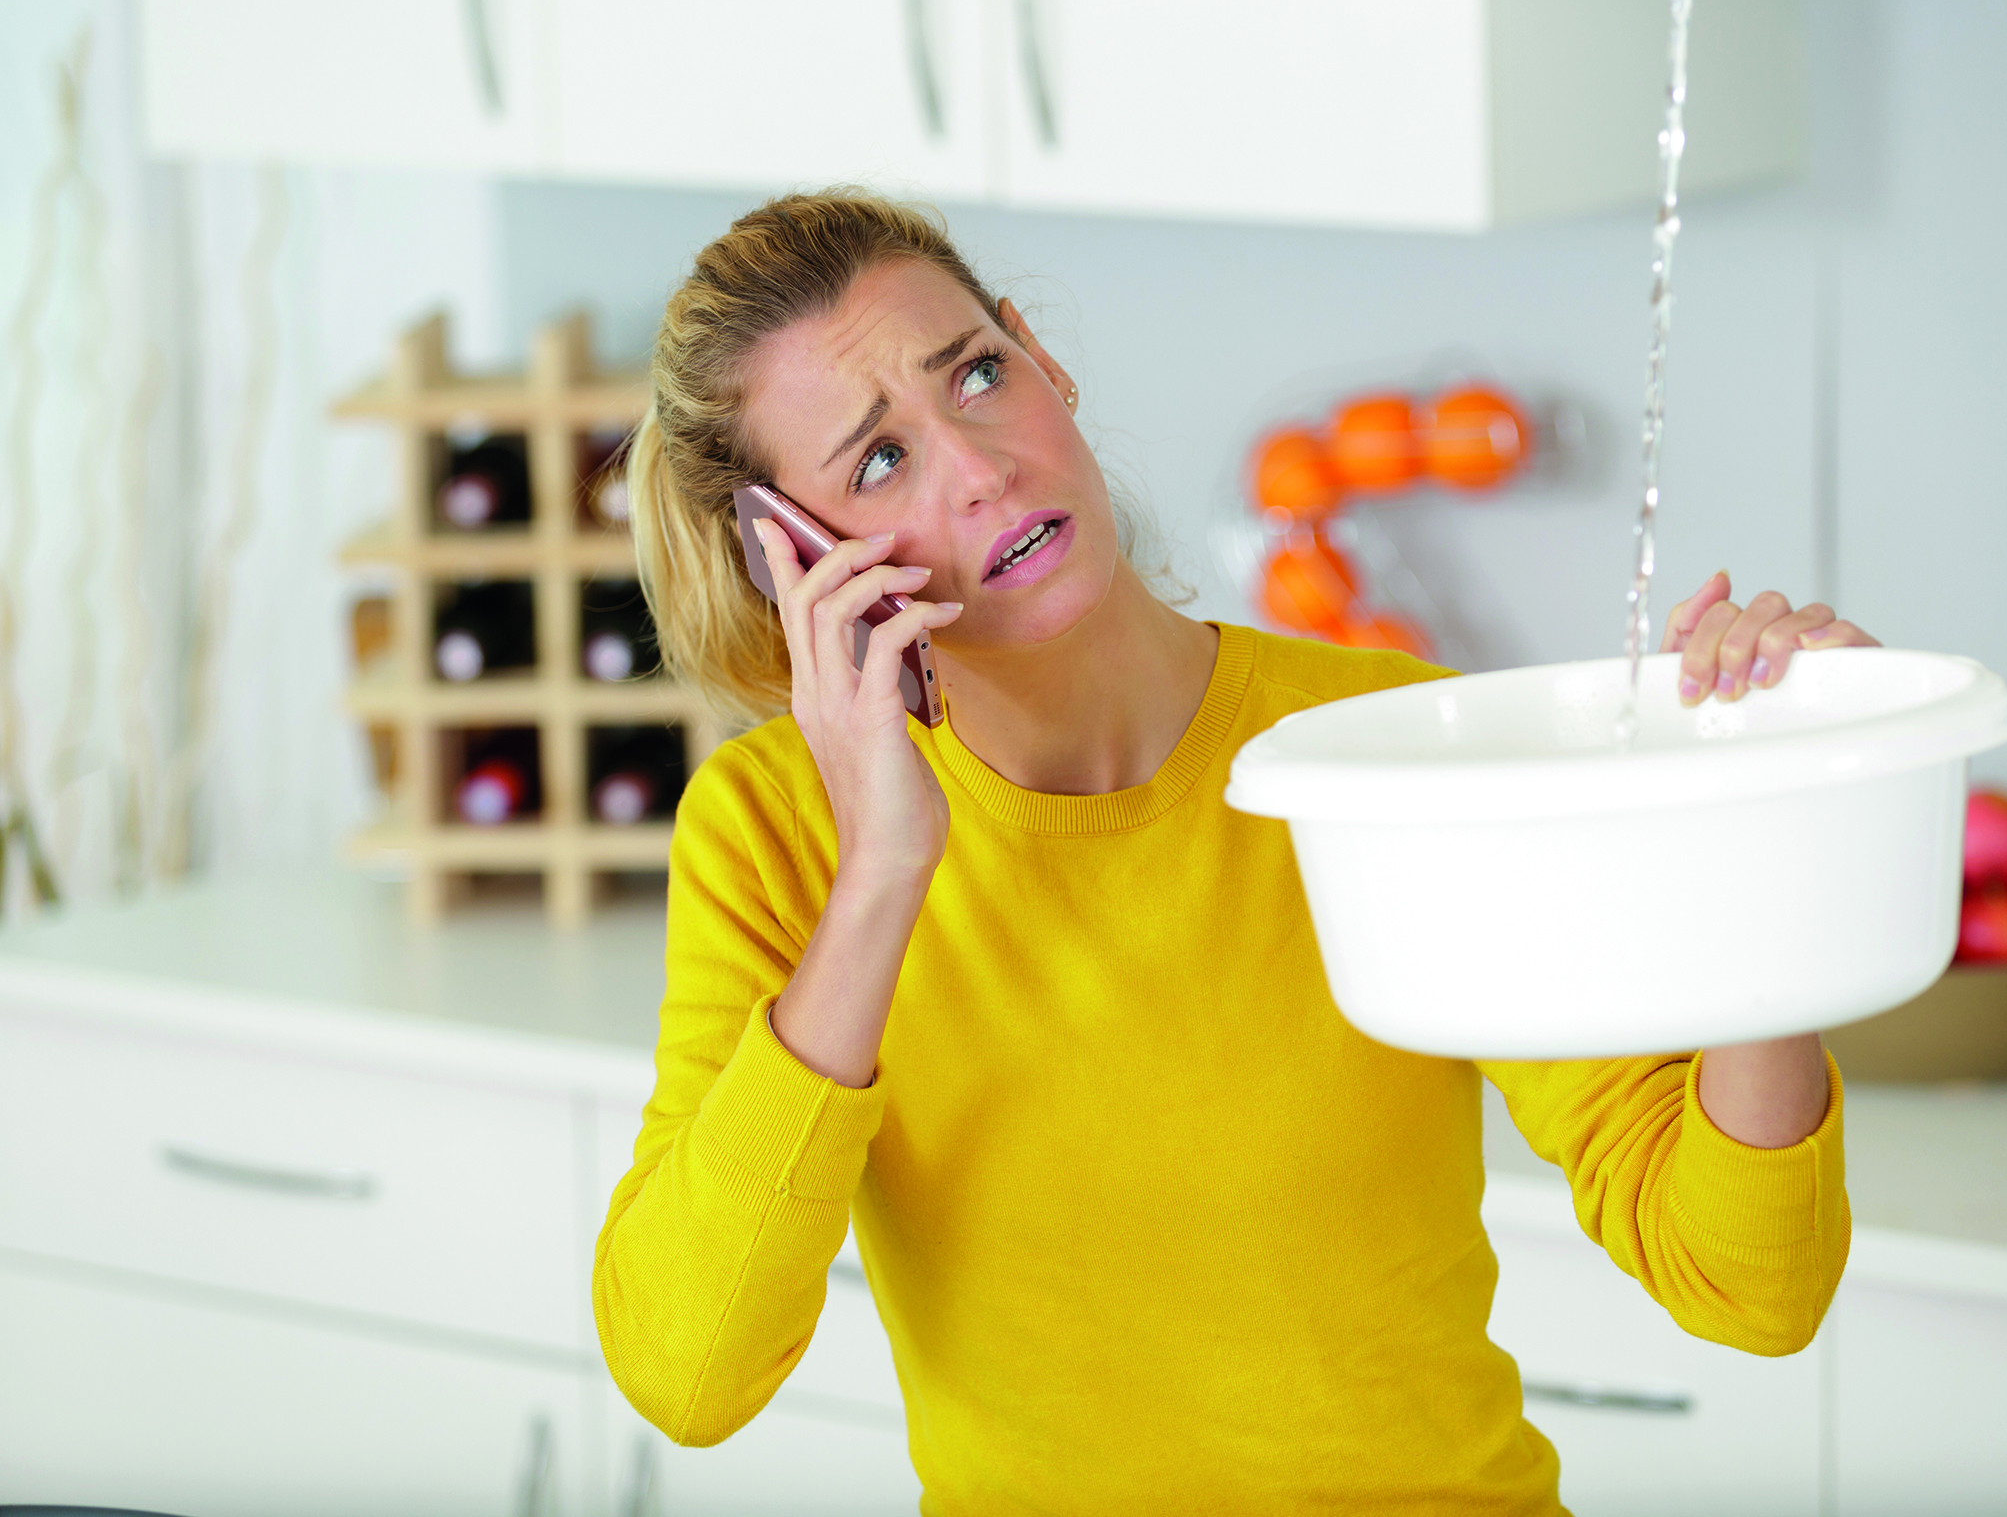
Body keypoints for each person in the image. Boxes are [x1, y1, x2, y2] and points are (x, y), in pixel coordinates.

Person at [593, 189, 1873, 1514]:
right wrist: (880, 878)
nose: (980, 467)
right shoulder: (773, 838)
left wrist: (1769, 835)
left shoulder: (1388, 750)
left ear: (1042, 357)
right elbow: (687, 1371)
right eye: (877, 462)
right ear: (791, 561)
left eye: (976, 373)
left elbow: (1754, 1285)